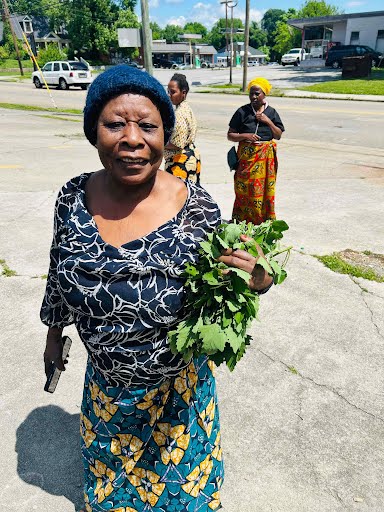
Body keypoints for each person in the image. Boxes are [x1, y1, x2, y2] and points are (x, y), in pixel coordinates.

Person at [41, 65, 273, 512]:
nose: (132, 138)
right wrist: (54, 336)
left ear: (165, 136)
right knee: (113, 502)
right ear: (94, 132)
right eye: (115, 124)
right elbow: (58, 273)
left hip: (179, 402)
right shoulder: (72, 198)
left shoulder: (197, 206)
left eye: (148, 126)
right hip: (107, 396)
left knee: (185, 502)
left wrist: (259, 279)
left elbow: (228, 289)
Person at [227, 77, 285, 225]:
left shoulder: (271, 113)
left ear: (264, 94)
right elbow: (230, 135)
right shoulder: (242, 112)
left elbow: (278, 135)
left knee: (264, 192)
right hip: (247, 159)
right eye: (251, 93)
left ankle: (262, 222)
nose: (253, 97)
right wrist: (245, 136)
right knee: (244, 189)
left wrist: (267, 121)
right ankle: (242, 221)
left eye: (257, 93)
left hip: (265, 160)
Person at [164, 73, 201, 184]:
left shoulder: (179, 113)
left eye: (173, 92)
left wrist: (160, 143)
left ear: (183, 93)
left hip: (181, 162)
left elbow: (177, 143)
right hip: (191, 157)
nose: (169, 95)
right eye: (168, 91)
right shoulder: (187, 108)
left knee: (179, 198)